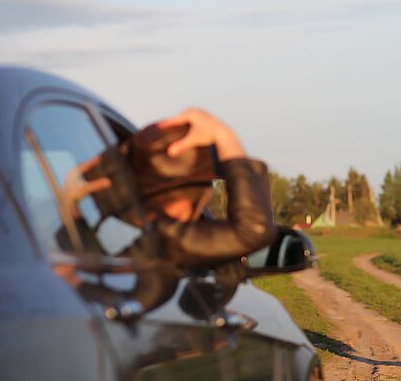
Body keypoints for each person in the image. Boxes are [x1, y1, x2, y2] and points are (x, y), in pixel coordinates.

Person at [56, 108, 276, 313]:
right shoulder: (170, 238)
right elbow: (254, 229)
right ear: (183, 209)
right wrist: (224, 137)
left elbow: (98, 265)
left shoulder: (159, 242)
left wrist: (69, 206)